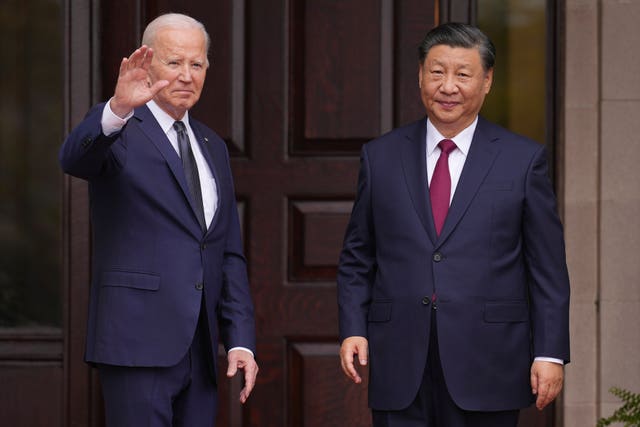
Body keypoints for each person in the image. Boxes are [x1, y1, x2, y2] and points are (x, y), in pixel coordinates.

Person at [337, 22, 570, 427]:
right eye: (437, 72)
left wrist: (549, 353)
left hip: (490, 360)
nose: (448, 86)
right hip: (401, 360)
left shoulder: (522, 160)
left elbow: (547, 269)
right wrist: (353, 327)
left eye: (463, 74)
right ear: (420, 76)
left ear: (487, 81)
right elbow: (358, 256)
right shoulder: (381, 157)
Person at [59, 13, 258, 427]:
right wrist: (116, 109)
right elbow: (75, 158)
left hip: (201, 350)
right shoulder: (120, 127)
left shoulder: (213, 146)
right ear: (147, 64)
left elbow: (227, 253)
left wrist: (240, 340)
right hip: (138, 344)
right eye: (174, 62)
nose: (187, 75)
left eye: (197, 64)